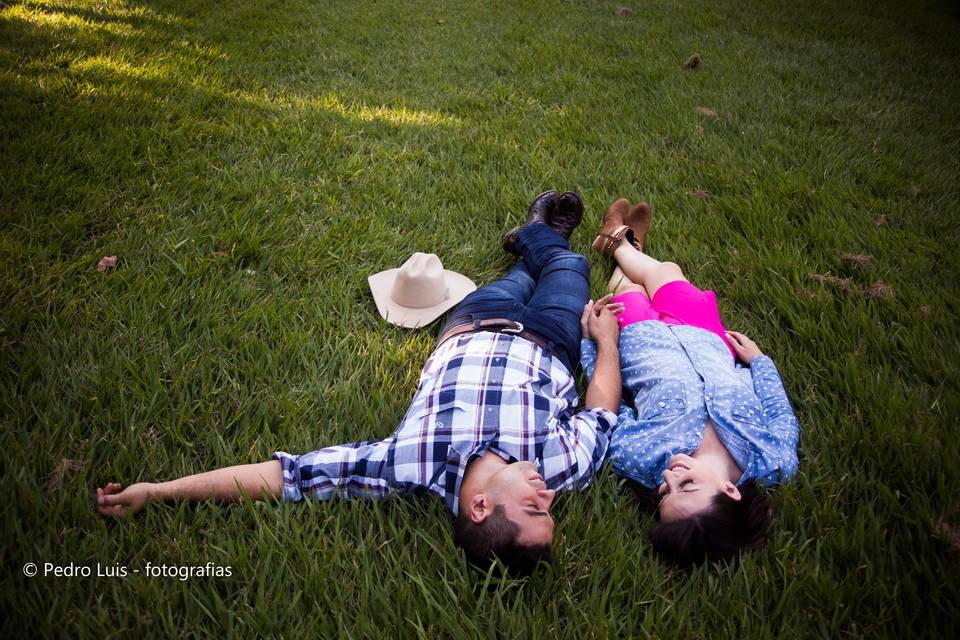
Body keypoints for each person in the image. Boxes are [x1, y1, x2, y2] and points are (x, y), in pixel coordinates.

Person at [95, 191, 622, 576]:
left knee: (534, 271)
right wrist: (605, 341)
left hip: (472, 324)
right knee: (567, 267)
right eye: (547, 508)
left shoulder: (406, 465)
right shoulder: (560, 467)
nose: (548, 495)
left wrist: (159, 491)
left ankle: (535, 236)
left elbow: (286, 478)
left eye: (535, 508)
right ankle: (543, 242)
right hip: (551, 339)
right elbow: (600, 411)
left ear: (480, 508)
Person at [581, 198, 800, 567]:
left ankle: (620, 247)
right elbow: (781, 413)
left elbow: (606, 407)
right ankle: (622, 245)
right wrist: (761, 362)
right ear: (729, 491)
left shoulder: (641, 459)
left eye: (665, 491)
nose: (669, 476)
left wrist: (596, 342)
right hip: (704, 336)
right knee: (668, 271)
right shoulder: (773, 459)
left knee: (628, 289)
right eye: (686, 485)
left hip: (641, 340)